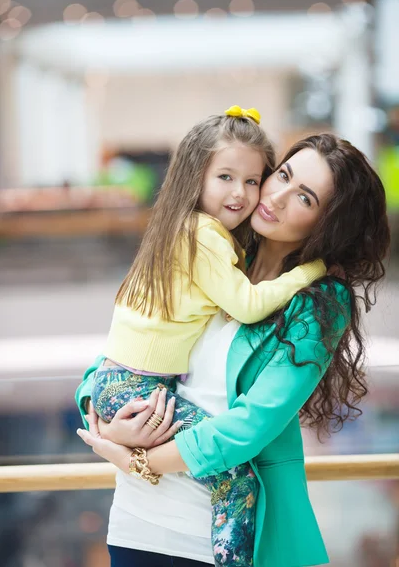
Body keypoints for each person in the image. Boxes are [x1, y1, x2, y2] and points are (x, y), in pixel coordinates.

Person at [77, 133, 390, 567]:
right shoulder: (216, 247)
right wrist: (104, 424)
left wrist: (139, 460)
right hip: (136, 524)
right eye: (282, 175)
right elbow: (119, 351)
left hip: (211, 543)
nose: (276, 197)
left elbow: (250, 426)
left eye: (304, 197)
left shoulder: (318, 303)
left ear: (328, 224)